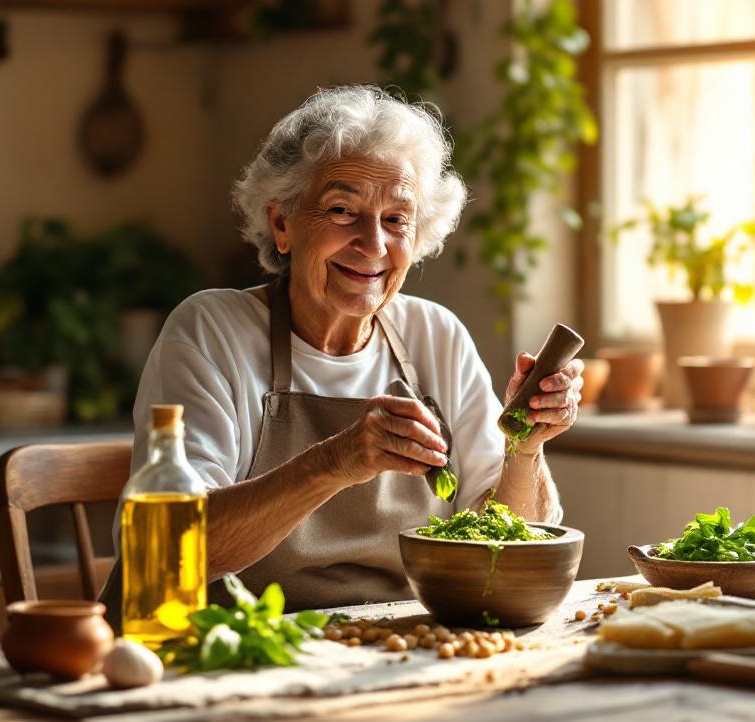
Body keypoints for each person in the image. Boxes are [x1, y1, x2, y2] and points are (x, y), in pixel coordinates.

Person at [101, 85, 583, 613]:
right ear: (282, 224)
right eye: (341, 210)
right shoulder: (211, 331)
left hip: (393, 647)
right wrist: (337, 461)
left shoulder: (435, 335)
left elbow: (503, 542)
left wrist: (525, 448)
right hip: (239, 648)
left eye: (397, 219)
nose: (373, 244)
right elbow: (172, 553)